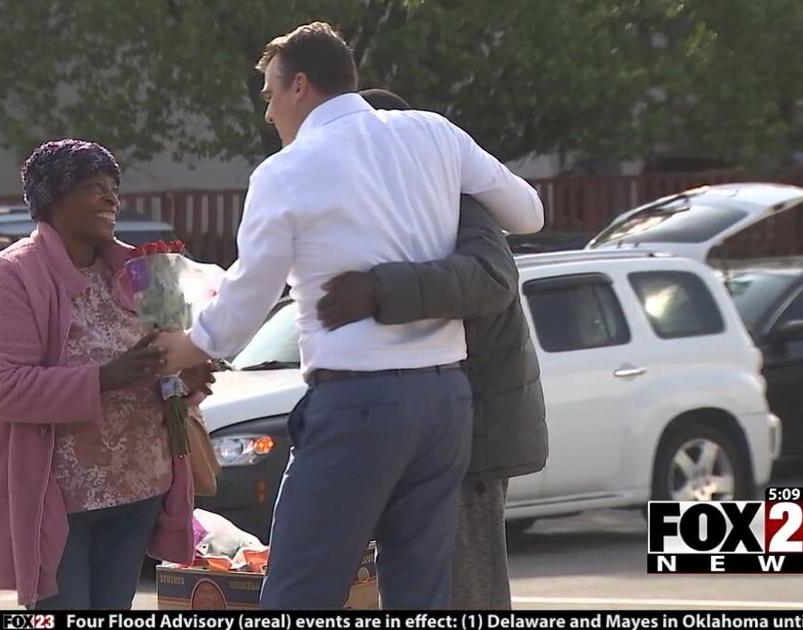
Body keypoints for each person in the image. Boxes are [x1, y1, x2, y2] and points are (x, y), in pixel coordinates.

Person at [155, 23, 544, 609]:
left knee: (299, 588)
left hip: (358, 401)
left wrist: (185, 346)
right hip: (445, 401)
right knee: (421, 591)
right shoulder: (433, 133)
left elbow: (245, 301)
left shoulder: (286, 171)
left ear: (300, 88)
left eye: (269, 95)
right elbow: (529, 212)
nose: (268, 115)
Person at [315, 88, 548, 610]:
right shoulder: (398, 206)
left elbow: (491, 280)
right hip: (428, 428)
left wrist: (378, 290)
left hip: (472, 438)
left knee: (466, 593)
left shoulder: (456, 199)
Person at [0, 139, 213, 609]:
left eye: (113, 188)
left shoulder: (146, 271)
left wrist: (188, 381)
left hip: (140, 491)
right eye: (94, 187)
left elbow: (169, 371)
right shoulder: (9, 277)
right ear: (53, 197)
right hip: (60, 502)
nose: (111, 198)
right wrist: (104, 377)